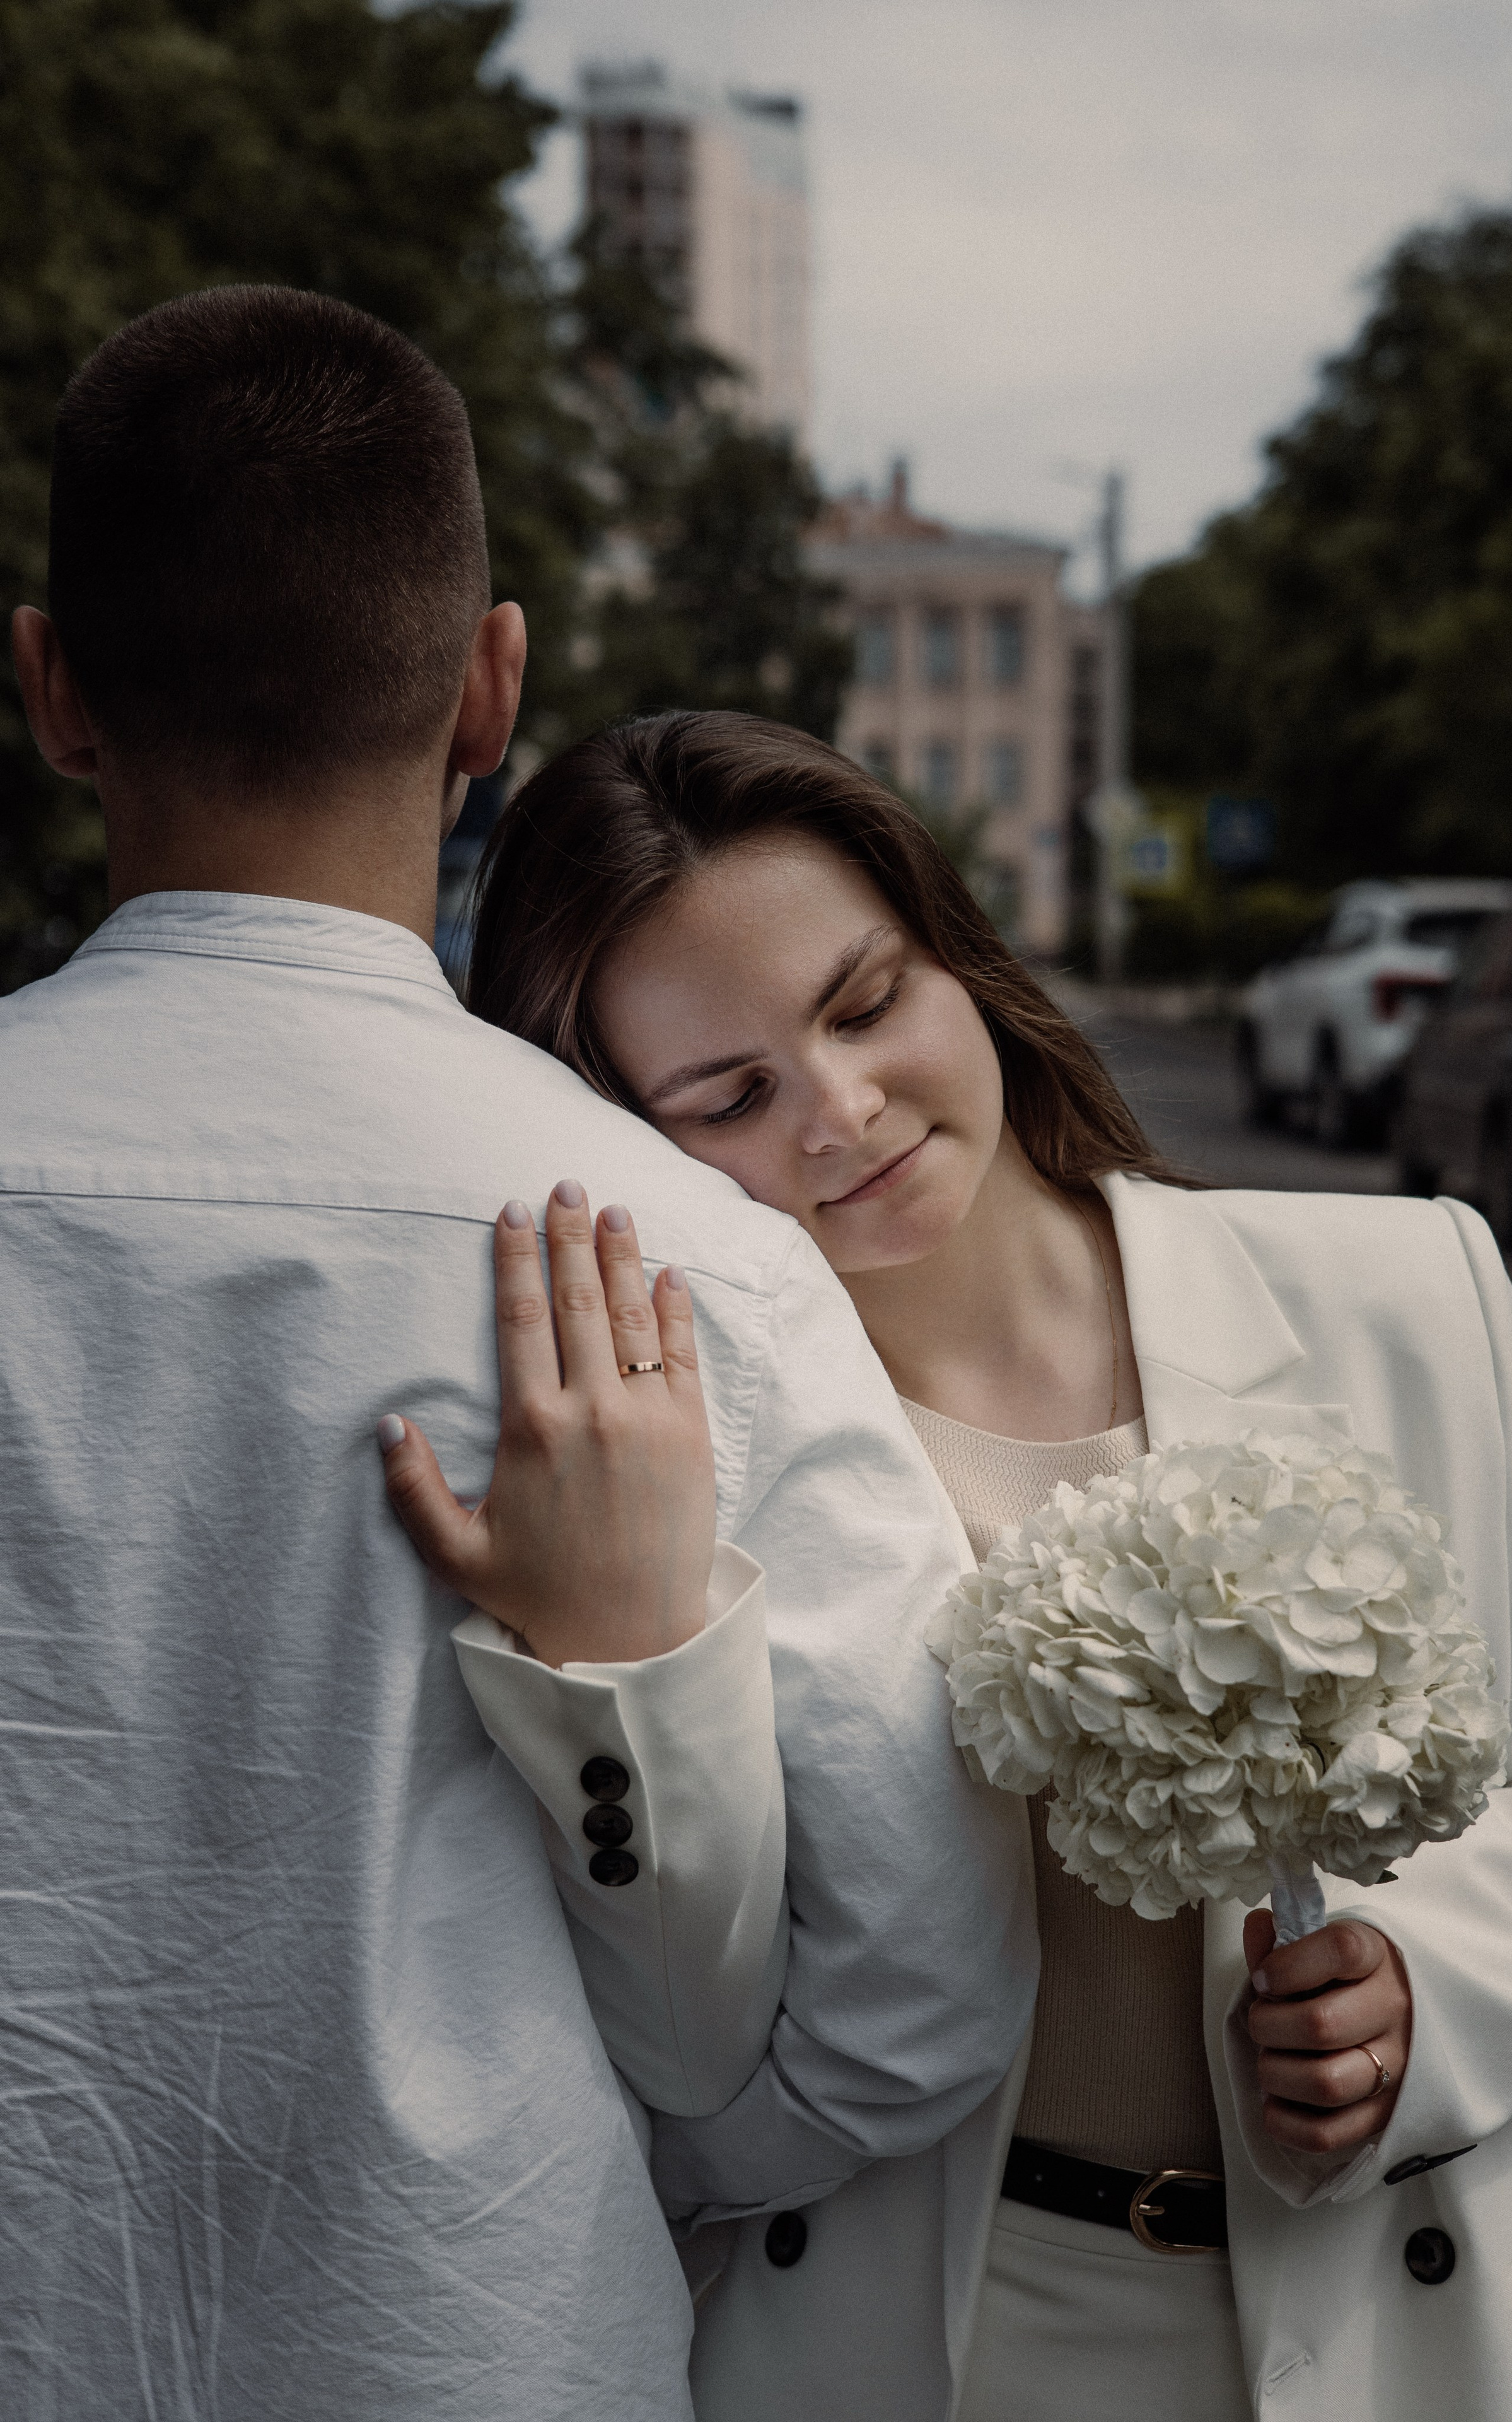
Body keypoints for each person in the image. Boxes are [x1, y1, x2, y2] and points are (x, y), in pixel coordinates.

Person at [0, 295, 1032, 2418]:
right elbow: (920, 1988)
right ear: (493, 686)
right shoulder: (689, 1264)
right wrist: (572, 2161)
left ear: (52, 691)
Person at [439, 706, 1512, 2421]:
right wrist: (618, 1657)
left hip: (1406, 2331)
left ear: (956, 957)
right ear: (629, 1142)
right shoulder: (677, 1468)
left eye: (867, 1002)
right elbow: (680, 2043)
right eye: (731, 1095)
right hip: (928, 2339)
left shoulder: (1407, 1291)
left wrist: (1434, 1988)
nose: (843, 1111)